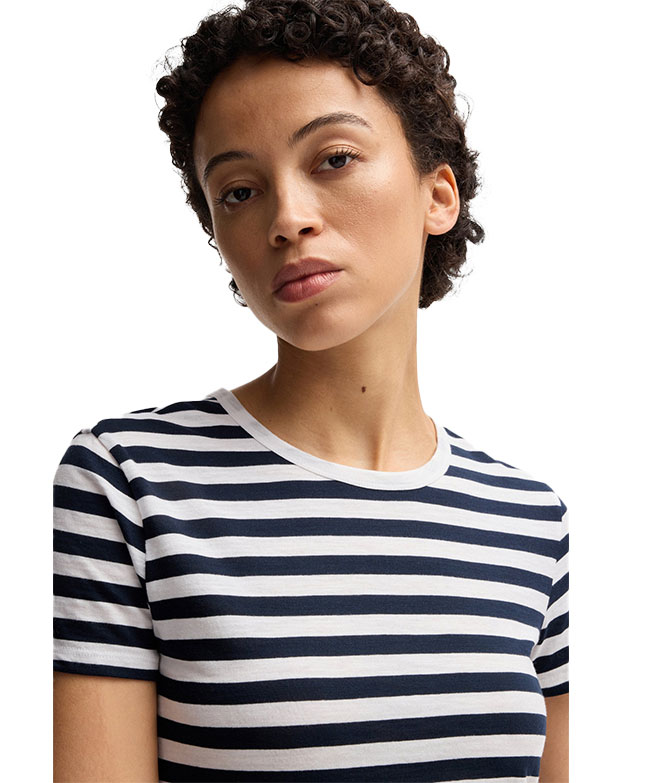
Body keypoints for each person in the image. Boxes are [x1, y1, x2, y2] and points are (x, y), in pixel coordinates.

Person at [52, 0, 570, 780]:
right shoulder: (127, 484)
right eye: (238, 191)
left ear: (438, 195)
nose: (287, 218)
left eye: (333, 158)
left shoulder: (531, 520)